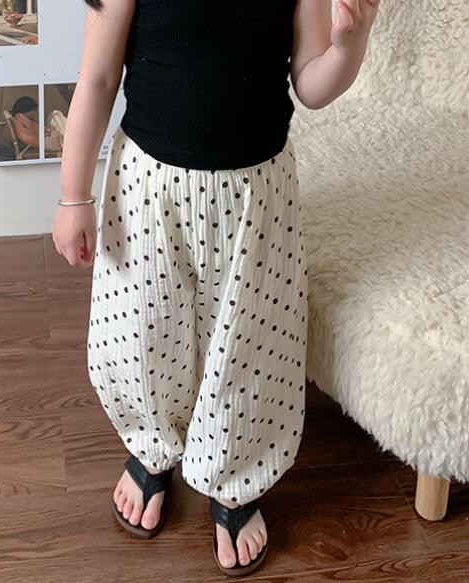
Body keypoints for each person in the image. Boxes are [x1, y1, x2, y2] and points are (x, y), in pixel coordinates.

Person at [52, 0, 380, 576]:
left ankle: (236, 476)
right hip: (150, 190)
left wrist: (351, 41)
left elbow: (310, 84)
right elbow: (98, 77)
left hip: (258, 195)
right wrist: (72, 196)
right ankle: (153, 444)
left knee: (250, 350)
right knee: (144, 332)